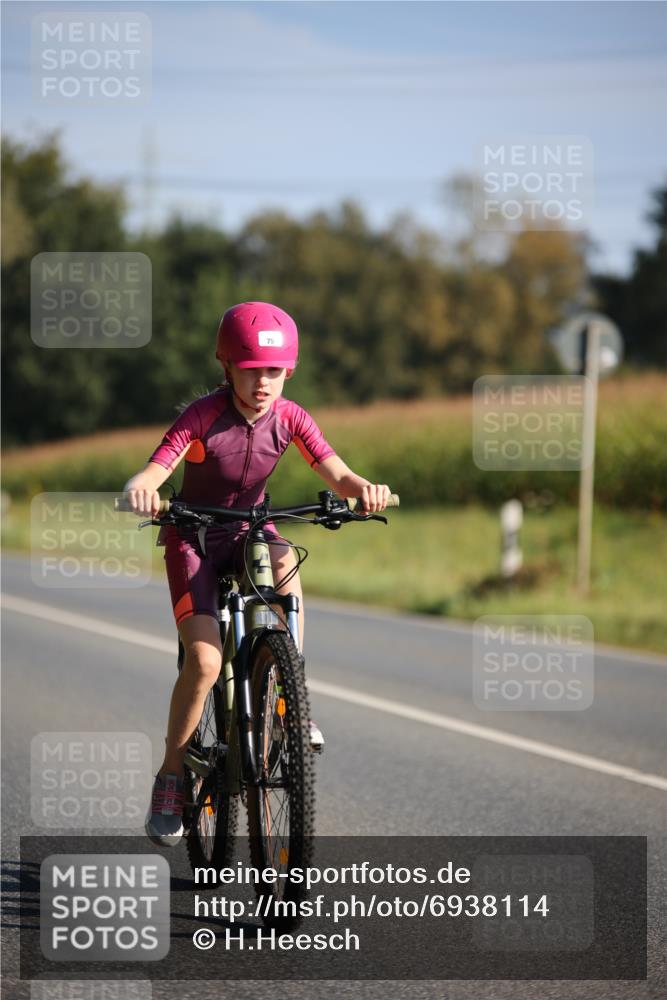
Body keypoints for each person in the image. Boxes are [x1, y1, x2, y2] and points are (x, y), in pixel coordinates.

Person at [123, 301, 392, 847]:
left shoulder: (292, 417)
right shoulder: (201, 416)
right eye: (251, 370)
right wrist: (143, 489)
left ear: (288, 370)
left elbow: (334, 470)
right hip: (194, 537)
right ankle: (172, 775)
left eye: (273, 370)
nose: (263, 382)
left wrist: (362, 489)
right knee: (204, 660)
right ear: (228, 367)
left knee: (287, 556)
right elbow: (158, 466)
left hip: (251, 532)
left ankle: (288, 701)